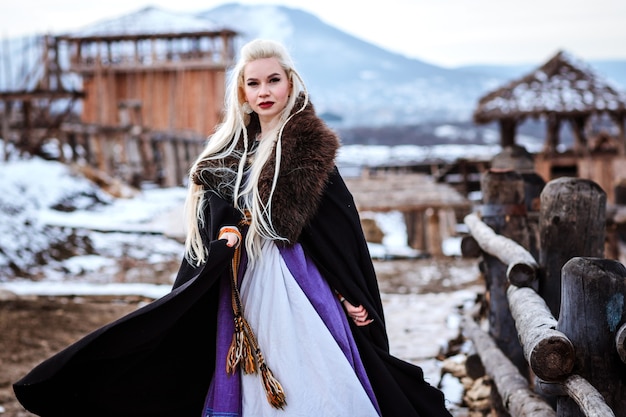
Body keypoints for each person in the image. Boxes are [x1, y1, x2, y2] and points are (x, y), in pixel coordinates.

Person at [14, 39, 452, 417]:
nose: (264, 91)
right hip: (241, 282)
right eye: (253, 83)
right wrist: (224, 230)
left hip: (297, 284)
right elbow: (213, 210)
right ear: (242, 92)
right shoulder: (227, 152)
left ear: (291, 83)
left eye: (273, 80)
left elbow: (337, 234)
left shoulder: (308, 150)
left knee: (310, 370)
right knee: (248, 380)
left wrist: (345, 291)